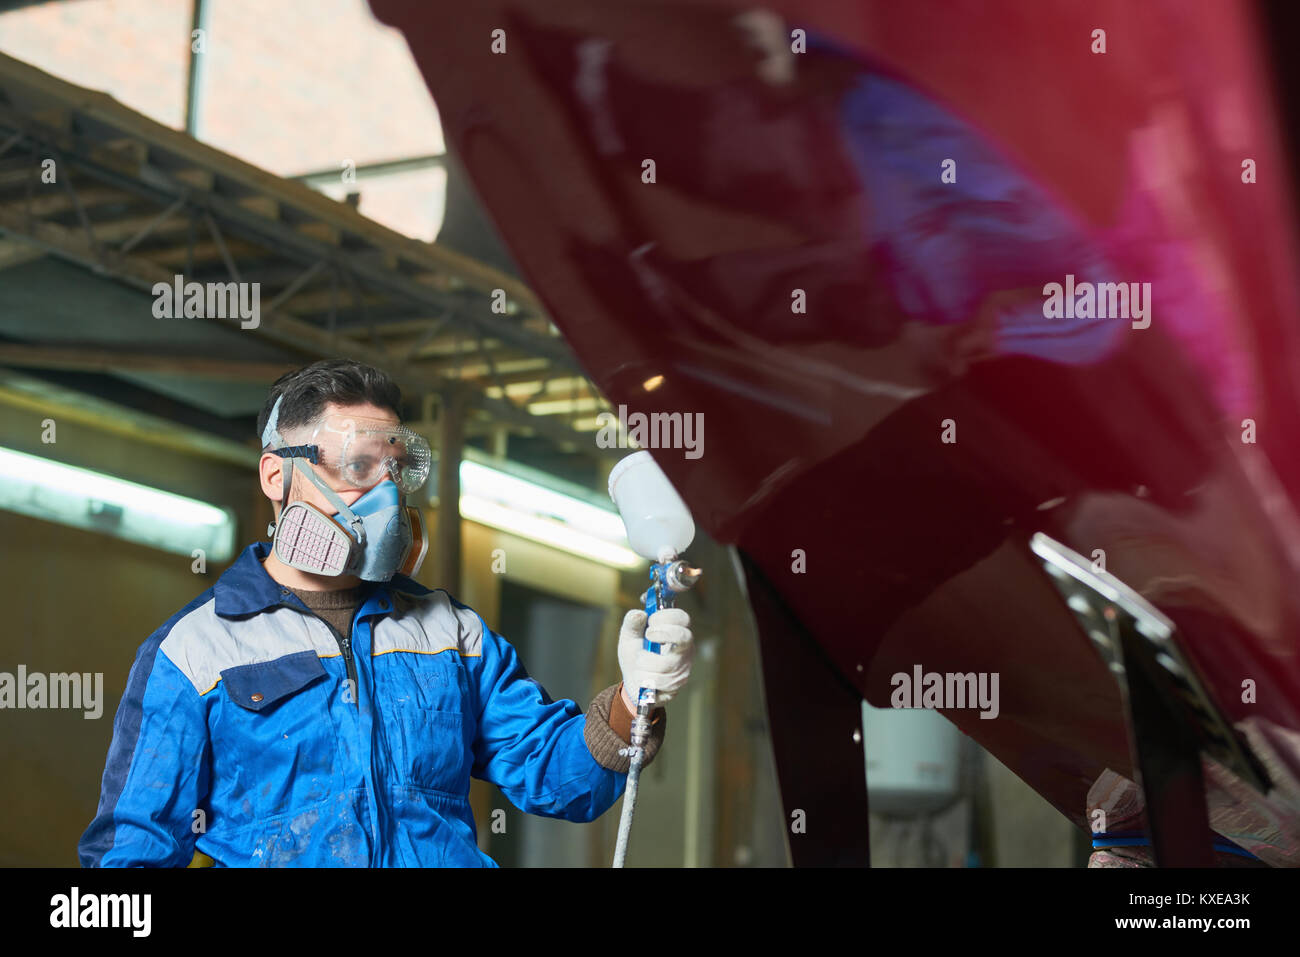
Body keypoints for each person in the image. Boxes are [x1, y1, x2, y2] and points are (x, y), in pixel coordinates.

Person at [78, 359, 693, 867]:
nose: (387, 496)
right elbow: (131, 857)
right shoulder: (197, 650)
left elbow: (559, 778)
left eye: (395, 469)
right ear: (276, 474)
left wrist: (634, 702)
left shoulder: (452, 633)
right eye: (357, 468)